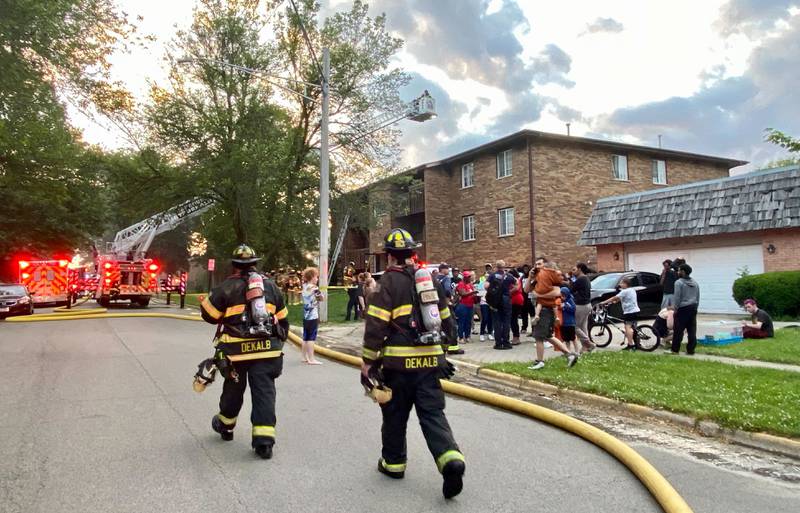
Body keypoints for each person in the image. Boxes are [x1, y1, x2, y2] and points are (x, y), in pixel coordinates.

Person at [361, 228, 466, 499]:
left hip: (398, 367)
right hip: (430, 363)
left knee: (395, 415)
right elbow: (446, 318)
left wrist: (367, 364)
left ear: (388, 256)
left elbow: (375, 326)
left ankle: (393, 464)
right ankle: (450, 459)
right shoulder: (428, 279)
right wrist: (444, 353)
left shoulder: (388, 283)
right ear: (412, 253)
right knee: (433, 415)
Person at [200, 244, 289, 459]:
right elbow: (284, 318)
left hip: (235, 353)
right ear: (255, 263)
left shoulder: (226, 288)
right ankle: (264, 443)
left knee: (233, 389)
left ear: (234, 266)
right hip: (267, 352)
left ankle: (226, 426)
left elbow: (209, 315)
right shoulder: (271, 287)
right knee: (265, 393)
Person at [528, 261, 579, 369]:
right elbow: (526, 289)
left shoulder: (552, 279)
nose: (537, 266)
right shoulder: (539, 279)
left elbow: (556, 292)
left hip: (545, 310)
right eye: (536, 264)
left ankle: (540, 361)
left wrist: (538, 294)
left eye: (540, 264)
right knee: (548, 336)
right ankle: (569, 355)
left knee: (539, 337)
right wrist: (530, 277)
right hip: (544, 309)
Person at [598, 276, 639, 350]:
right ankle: (637, 344)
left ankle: (631, 345)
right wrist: (614, 302)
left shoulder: (625, 291)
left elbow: (614, 297)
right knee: (633, 328)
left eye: (621, 283)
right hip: (635, 311)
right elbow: (621, 298)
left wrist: (604, 302)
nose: (620, 285)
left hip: (629, 312)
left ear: (626, 284)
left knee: (628, 328)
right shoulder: (632, 290)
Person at [669, 263, 700, 355]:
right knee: (692, 330)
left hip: (682, 308)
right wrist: (696, 307)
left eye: (679, 270)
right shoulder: (695, 282)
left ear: (683, 272)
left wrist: (676, 309)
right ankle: (691, 350)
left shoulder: (678, 282)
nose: (678, 272)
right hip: (693, 307)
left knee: (678, 330)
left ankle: (675, 350)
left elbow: (677, 297)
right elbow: (698, 296)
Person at [487, 259, 516, 350]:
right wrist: (510, 292)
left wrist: (493, 292)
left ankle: (498, 344)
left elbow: (486, 286)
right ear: (504, 266)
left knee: (497, 322)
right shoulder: (509, 276)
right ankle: (506, 343)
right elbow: (517, 284)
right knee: (506, 321)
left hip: (496, 301)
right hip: (506, 300)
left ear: (496, 266)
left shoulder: (492, 276)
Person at [301, 267, 324, 365]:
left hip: (305, 315)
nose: (317, 279)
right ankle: (311, 358)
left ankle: (304, 357)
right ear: (312, 277)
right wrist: (320, 296)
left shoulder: (304, 286)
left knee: (305, 336)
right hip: (312, 315)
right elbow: (321, 298)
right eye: (316, 277)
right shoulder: (314, 287)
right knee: (311, 337)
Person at [571, 263, 595, 353]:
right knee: (583, 327)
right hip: (587, 304)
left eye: (574, 269)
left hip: (581, 305)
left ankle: (589, 343)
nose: (573, 271)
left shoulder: (580, 279)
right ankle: (585, 347)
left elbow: (571, 289)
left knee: (574, 326)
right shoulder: (586, 278)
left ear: (580, 269)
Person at [455, 271, 478, 345]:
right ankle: (461, 337)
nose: (469, 278)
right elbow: (463, 294)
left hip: (470, 305)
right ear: (464, 277)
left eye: (469, 277)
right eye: (468, 277)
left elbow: (473, 293)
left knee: (468, 322)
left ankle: (467, 336)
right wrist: (473, 293)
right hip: (463, 305)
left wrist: (475, 297)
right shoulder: (461, 284)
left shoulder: (470, 285)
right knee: (462, 322)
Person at [559, 287, 579, 354]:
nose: (562, 297)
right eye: (561, 295)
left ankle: (577, 351)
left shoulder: (570, 300)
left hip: (570, 323)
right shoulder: (560, 301)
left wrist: (565, 306)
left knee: (573, 338)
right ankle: (568, 351)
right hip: (564, 323)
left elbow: (573, 309)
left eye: (563, 295)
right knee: (566, 339)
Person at [509, 269, 525, 345]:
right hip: (514, 300)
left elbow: (516, 288)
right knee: (513, 319)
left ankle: (516, 338)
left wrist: (507, 292)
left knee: (513, 319)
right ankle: (515, 337)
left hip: (516, 300)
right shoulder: (516, 279)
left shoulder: (516, 280)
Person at [477, 272, 493, 342]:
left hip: (491, 303)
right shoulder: (481, 284)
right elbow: (478, 293)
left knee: (490, 319)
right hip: (483, 302)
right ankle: (482, 334)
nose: (487, 277)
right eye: (486, 276)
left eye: (488, 276)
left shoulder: (493, 283)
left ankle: (490, 333)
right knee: (485, 318)